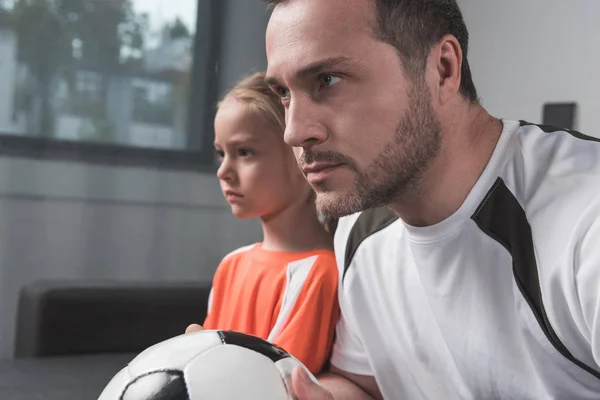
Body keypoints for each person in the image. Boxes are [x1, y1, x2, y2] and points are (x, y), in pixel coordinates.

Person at [264, 0, 600, 398]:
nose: (293, 131)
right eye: (284, 92)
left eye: (328, 80)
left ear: (443, 69)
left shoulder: (586, 218)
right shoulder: (362, 226)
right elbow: (364, 385)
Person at [187, 72, 340, 376]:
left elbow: (276, 380)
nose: (224, 171)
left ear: (301, 156)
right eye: (221, 153)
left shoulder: (319, 273)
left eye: (244, 152)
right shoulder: (232, 265)